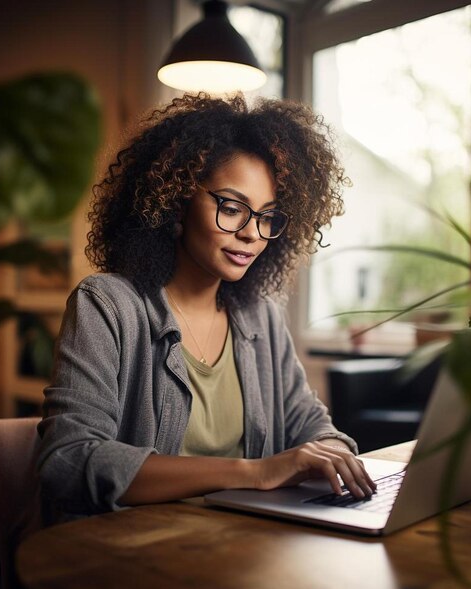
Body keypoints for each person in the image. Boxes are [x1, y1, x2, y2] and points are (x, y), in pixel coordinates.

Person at [37, 92, 376, 522]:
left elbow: (313, 427)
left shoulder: (260, 317)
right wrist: (254, 473)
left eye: (268, 216)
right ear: (175, 202)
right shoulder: (107, 306)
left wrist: (333, 455)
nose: (253, 233)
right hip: (130, 556)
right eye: (233, 208)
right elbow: (67, 463)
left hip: (244, 550)